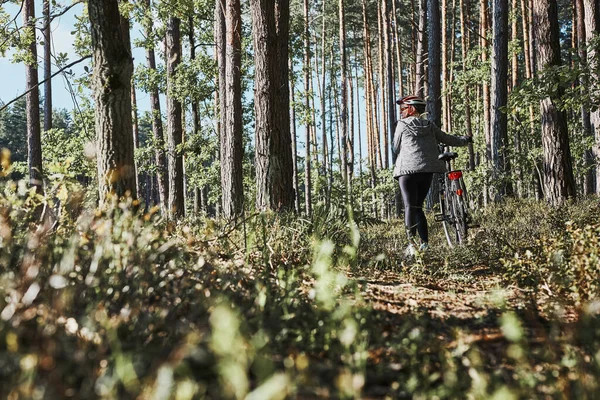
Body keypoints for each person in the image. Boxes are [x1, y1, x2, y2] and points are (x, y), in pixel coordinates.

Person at [392, 95, 471, 256]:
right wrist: (464, 140)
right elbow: (447, 138)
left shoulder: (401, 124)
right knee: (418, 207)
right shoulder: (429, 124)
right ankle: (425, 245)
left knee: (409, 206)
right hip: (427, 170)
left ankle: (411, 245)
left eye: (403, 108)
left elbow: (395, 147)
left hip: (406, 170)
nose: (401, 112)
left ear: (411, 109)